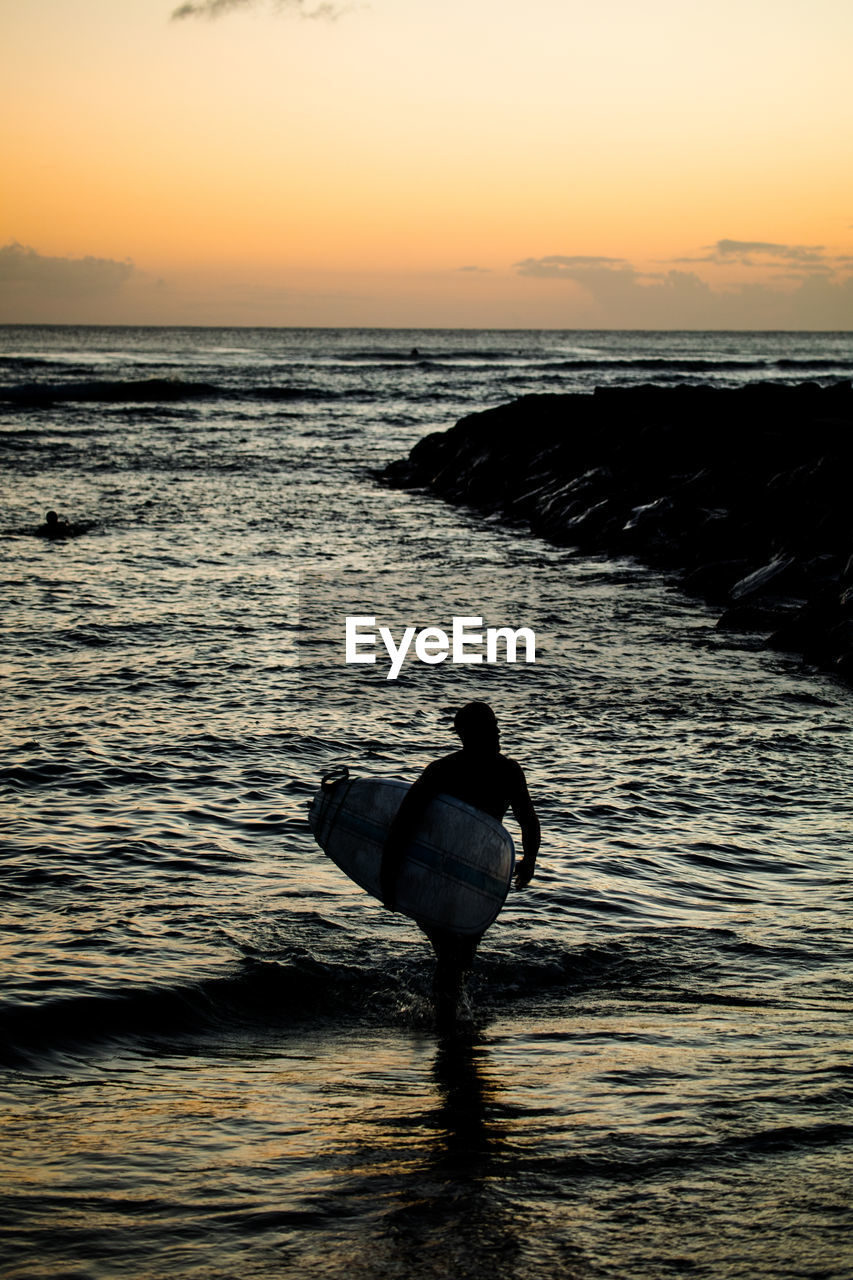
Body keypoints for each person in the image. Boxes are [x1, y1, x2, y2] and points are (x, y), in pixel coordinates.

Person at [380, 701, 540, 1021]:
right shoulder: (443, 771)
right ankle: (448, 1022)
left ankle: (446, 1018)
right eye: (490, 727)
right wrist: (389, 876)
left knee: (461, 956)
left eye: (496, 725)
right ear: (467, 735)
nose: (497, 732)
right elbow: (404, 822)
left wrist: (529, 859)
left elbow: (527, 820)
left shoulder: (507, 771)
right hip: (434, 873)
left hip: (476, 878)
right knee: (451, 953)